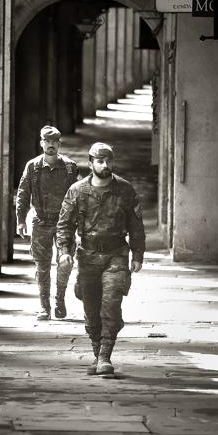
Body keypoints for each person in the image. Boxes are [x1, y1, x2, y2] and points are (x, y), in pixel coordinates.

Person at [56, 141, 146, 377]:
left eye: (108, 161)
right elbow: (65, 224)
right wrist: (64, 251)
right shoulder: (77, 191)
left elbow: (136, 225)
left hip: (116, 254)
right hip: (88, 256)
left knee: (111, 303)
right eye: (100, 161)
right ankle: (98, 353)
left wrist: (137, 254)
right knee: (91, 309)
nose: (105, 165)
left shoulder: (125, 190)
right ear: (91, 163)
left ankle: (105, 356)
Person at [15, 125, 79, 320]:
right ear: (41, 143)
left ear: (59, 144)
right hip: (41, 221)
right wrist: (20, 220)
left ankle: (60, 299)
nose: (51, 145)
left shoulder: (70, 167)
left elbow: (78, 197)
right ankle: (44, 307)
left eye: (54, 142)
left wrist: (81, 225)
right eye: (47, 141)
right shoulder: (33, 167)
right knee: (42, 266)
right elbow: (23, 194)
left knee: (65, 263)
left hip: (64, 224)